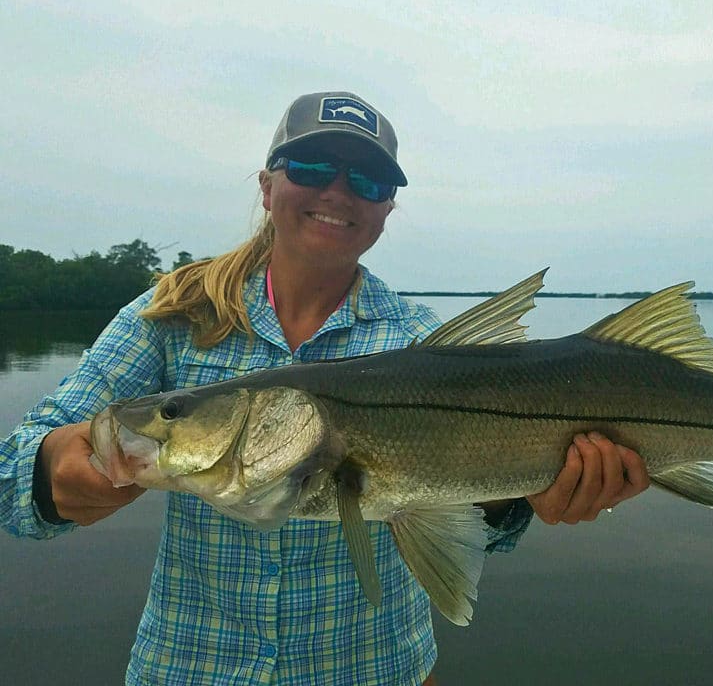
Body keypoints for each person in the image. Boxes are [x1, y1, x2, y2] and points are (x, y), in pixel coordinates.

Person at [0, 91, 650, 685]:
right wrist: (52, 471)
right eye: (312, 169)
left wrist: (529, 499)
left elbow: (484, 526)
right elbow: (13, 471)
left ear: (387, 208)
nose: (338, 193)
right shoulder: (172, 316)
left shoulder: (431, 343)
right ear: (266, 185)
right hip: (190, 667)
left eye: (366, 180)